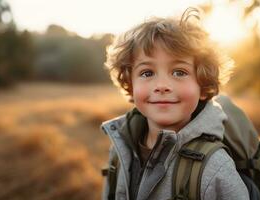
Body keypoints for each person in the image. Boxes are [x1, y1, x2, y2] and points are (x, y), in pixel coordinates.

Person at [101, 7, 249, 200]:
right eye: (147, 73)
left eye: (179, 72)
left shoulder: (214, 168)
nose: (162, 86)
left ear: (202, 84)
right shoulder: (121, 146)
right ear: (131, 83)